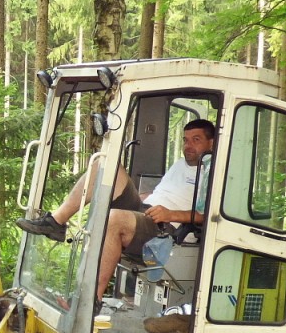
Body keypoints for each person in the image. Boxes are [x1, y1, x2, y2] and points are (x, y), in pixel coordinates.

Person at [17, 119, 216, 304]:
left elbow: (209, 215)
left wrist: (170, 214)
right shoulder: (182, 163)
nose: (188, 146)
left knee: (113, 219)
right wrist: (141, 197)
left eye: (196, 140)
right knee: (105, 164)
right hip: (147, 211)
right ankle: (56, 222)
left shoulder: (213, 171)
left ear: (212, 143)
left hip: (166, 228)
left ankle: (88, 300)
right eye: (185, 140)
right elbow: (168, 193)